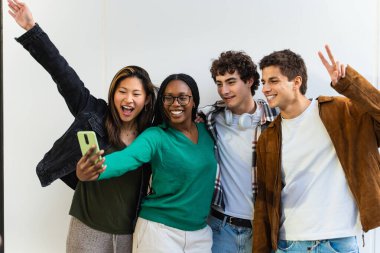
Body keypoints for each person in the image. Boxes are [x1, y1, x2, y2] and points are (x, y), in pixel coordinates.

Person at [8, 1, 156, 252]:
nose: (128, 99)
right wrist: (32, 28)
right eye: (122, 91)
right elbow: (62, 73)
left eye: (136, 94)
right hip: (87, 229)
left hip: (129, 233)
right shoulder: (93, 112)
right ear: (113, 93)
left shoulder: (152, 135)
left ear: (146, 99)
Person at [253, 45, 380, 253]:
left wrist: (349, 84)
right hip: (290, 244)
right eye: (263, 82)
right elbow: (264, 203)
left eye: (273, 80)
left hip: (339, 241)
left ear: (296, 82)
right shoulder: (269, 137)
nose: (265, 88)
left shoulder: (342, 112)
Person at [79, 74, 217, 253]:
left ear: (194, 101)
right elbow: (127, 158)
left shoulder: (207, 131)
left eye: (183, 97)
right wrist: (95, 168)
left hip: (200, 235)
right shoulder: (156, 136)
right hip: (159, 233)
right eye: (168, 98)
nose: (175, 104)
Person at [198, 51, 278, 252]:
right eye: (219, 83)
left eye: (231, 82)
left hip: (262, 229)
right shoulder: (209, 118)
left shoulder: (277, 121)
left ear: (249, 80)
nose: (224, 90)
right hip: (219, 228)